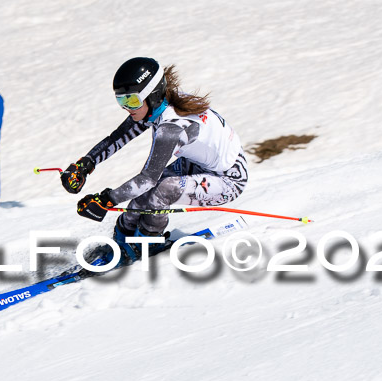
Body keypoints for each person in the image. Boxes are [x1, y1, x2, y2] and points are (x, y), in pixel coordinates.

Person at [61, 57, 248, 263]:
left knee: (161, 190)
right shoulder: (156, 106)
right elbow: (118, 138)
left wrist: (107, 200)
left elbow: (148, 178)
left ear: (152, 95)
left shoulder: (171, 127)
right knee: (142, 199)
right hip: (196, 163)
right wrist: (85, 165)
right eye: (121, 101)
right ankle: (121, 242)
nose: (126, 108)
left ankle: (147, 245)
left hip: (229, 179)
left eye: (131, 100)